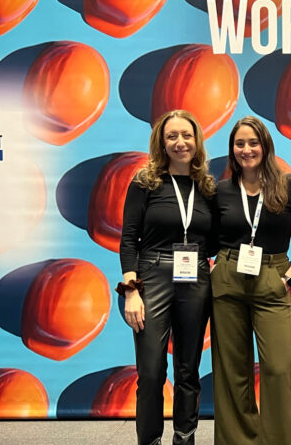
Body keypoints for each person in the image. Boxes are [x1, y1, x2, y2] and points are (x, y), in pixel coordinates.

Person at [211, 116, 291, 445]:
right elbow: (208, 239)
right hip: (228, 279)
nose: (247, 150)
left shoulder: (290, 186)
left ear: (266, 146)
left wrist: (287, 279)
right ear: (232, 149)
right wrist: (212, 267)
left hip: (273, 278)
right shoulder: (221, 191)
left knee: (276, 369)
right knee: (232, 371)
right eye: (239, 143)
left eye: (253, 143)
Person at [117, 109, 215, 445]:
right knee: (151, 372)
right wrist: (131, 291)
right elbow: (129, 240)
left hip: (196, 279)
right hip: (152, 276)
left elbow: (214, 239)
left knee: (188, 370)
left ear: (196, 141)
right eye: (171, 136)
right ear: (161, 142)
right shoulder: (144, 182)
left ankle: (184, 438)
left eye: (186, 135)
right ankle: (150, 440)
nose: (179, 142)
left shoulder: (207, 186)